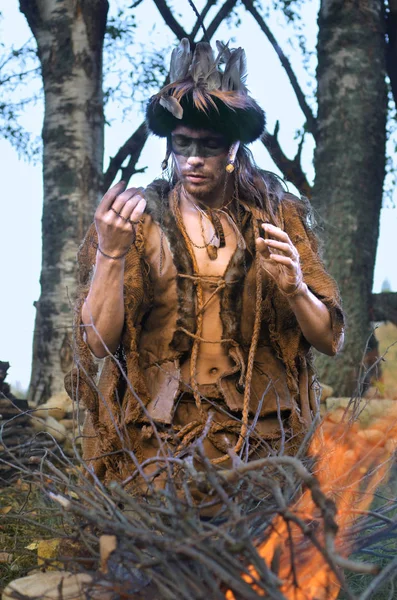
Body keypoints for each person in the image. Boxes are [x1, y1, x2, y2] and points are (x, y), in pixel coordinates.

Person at [65, 39, 344, 495]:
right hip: (156, 438)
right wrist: (110, 254)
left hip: (259, 437)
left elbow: (330, 339)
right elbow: (96, 343)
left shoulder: (278, 218)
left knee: (255, 560)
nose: (193, 158)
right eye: (182, 143)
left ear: (233, 148)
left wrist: (296, 289)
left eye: (209, 145)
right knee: (151, 556)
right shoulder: (137, 220)